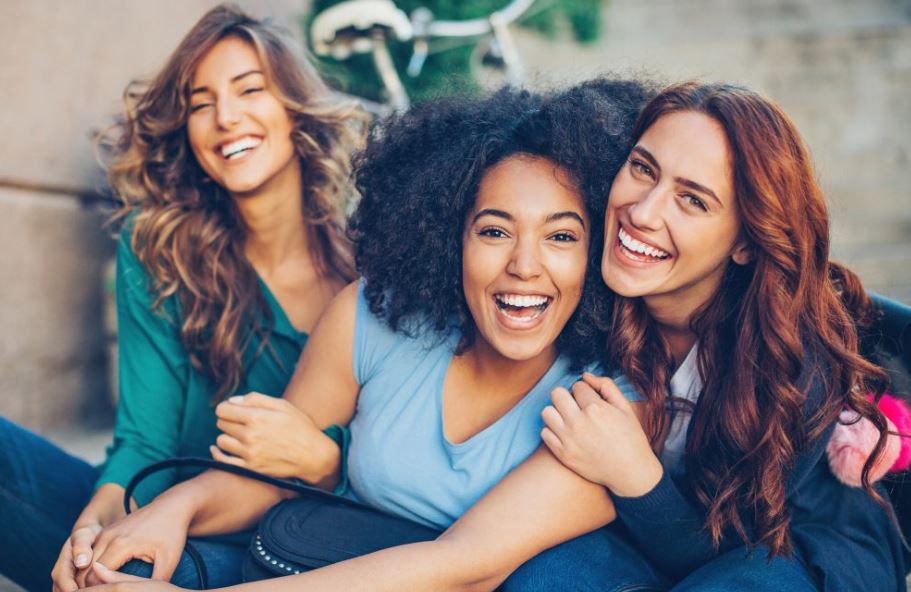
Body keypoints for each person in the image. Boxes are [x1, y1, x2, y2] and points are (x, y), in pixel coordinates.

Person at [77, 81, 655, 590]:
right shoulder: (373, 316)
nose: (524, 266)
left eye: (561, 237)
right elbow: (273, 475)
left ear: (599, 247)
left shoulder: (613, 400)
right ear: (450, 237)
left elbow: (465, 570)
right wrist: (175, 509)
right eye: (494, 230)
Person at [0, 5, 362, 591]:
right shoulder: (160, 246)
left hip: (278, 554)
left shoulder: (367, 272)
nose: (226, 117)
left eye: (251, 90)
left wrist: (327, 464)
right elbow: (144, 439)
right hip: (150, 505)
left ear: (296, 109)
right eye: (200, 103)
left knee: (143, 573)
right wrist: (94, 524)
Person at [501, 81, 907, 591]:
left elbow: (727, 545)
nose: (643, 213)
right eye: (643, 169)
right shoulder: (585, 283)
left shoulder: (794, 359)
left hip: (790, 550)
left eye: (692, 200)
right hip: (635, 532)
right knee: (543, 577)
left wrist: (634, 474)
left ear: (744, 241)